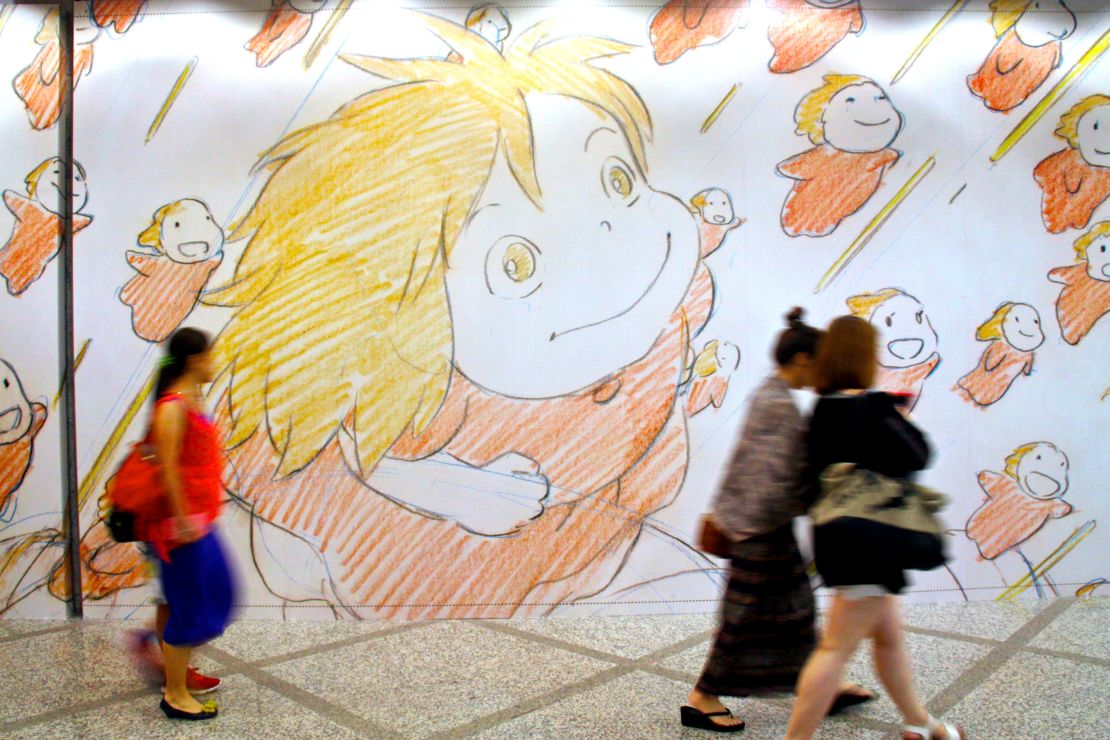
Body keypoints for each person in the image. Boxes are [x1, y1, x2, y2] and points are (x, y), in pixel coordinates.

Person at [681, 309, 872, 733]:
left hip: (764, 528)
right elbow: (774, 482)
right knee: (742, 620)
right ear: (803, 359)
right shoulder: (778, 405)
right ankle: (702, 696)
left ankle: (819, 685)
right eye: (819, 362)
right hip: (759, 532)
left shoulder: (772, 395)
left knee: (797, 614)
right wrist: (820, 493)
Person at [784, 316, 964, 740]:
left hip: (838, 536)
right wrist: (889, 411)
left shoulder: (821, 410)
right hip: (871, 539)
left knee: (888, 638)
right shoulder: (869, 407)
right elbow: (918, 454)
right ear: (864, 357)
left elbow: (808, 480)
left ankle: (921, 724)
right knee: (834, 650)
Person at [146, 328, 236, 720]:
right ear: (194, 359)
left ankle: (173, 672)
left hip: (199, 523)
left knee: (209, 599)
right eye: (210, 356)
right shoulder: (172, 407)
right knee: (193, 607)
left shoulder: (192, 399)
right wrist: (182, 521)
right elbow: (166, 470)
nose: (214, 363)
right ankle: (175, 694)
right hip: (179, 529)